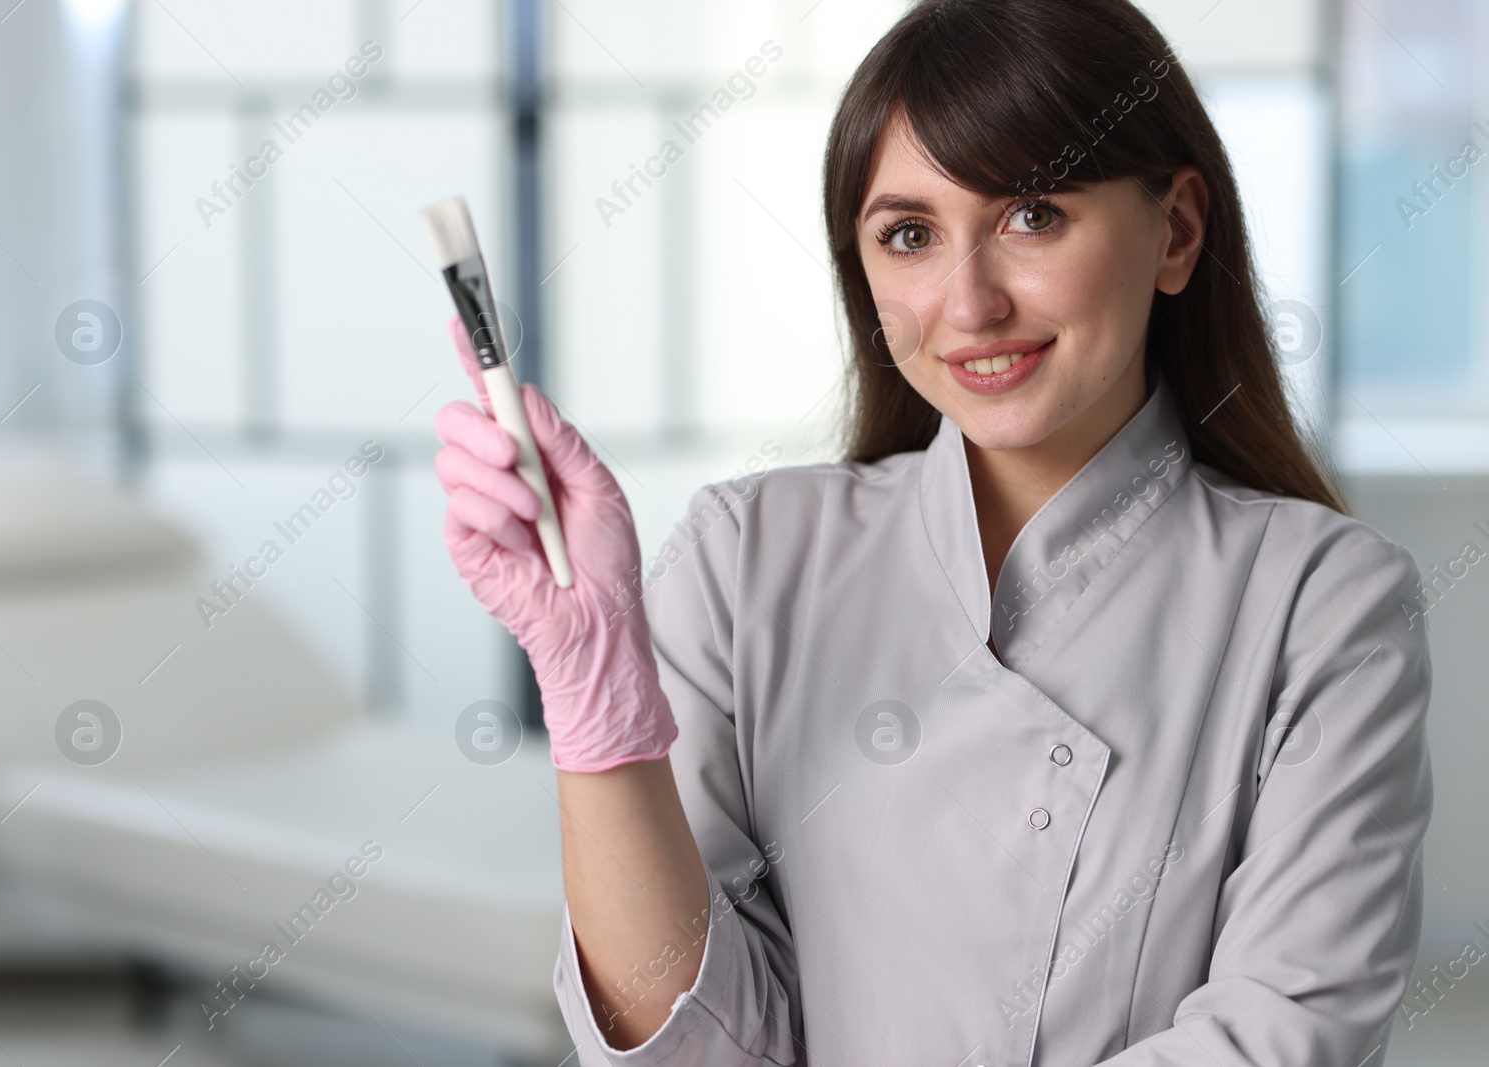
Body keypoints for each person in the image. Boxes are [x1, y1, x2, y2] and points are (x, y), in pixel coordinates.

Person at [433, 1, 1433, 1063]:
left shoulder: (1322, 602)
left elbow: (1280, 1036)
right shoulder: (748, 556)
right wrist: (596, 698)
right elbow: (692, 1040)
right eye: (909, 235)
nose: (969, 303)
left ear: (1175, 231)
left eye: (1032, 215)